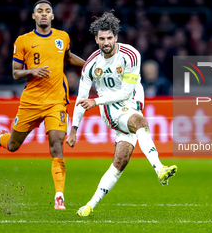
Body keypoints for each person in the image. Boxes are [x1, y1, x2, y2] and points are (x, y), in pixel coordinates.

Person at [65, 12, 177, 217]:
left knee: (121, 160)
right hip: (111, 109)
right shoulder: (90, 65)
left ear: (116, 37)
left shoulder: (130, 54)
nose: (106, 42)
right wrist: (74, 129)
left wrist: (94, 100)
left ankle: (89, 205)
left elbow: (126, 92)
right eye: (102, 38)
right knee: (140, 122)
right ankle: (160, 169)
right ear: (96, 39)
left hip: (130, 102)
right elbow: (82, 99)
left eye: (109, 38)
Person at [0, 0, 85, 210]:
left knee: (57, 144)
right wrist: (31, 71)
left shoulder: (62, 37)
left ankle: (59, 196)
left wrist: (89, 65)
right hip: (31, 101)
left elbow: (67, 58)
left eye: (47, 11)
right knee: (13, 145)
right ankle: (0, 139)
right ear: (33, 16)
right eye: (39, 11)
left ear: (52, 17)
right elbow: (15, 73)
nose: (43, 14)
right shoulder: (23, 41)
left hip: (56, 101)